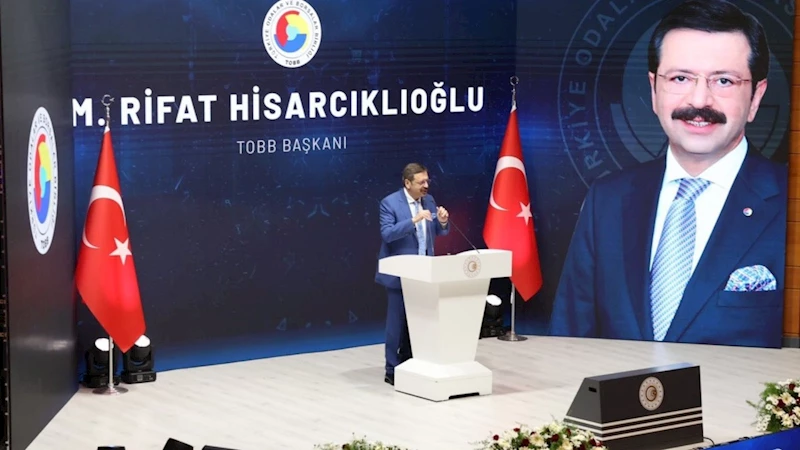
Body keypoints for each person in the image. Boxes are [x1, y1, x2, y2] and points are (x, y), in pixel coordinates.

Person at [549, 0, 787, 348]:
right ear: (654, 89)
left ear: (755, 97)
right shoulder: (608, 200)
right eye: (680, 78)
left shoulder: (790, 205)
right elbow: (568, 344)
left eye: (723, 80)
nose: (700, 101)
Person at [375, 163, 449, 385]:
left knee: (418, 322)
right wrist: (413, 220)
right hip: (400, 274)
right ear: (407, 183)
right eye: (421, 182)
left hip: (425, 273)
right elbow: (388, 234)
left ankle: (411, 361)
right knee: (396, 324)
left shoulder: (429, 200)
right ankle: (392, 369)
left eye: (427, 181)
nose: (426, 186)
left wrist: (443, 222)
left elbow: (437, 231)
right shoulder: (390, 203)